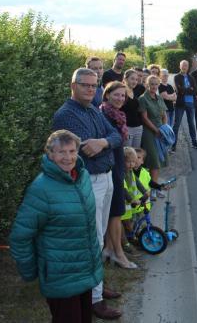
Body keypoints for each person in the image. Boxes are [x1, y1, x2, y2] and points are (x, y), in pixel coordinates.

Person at [9, 130, 103, 323]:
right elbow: (20, 236)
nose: (67, 158)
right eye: (61, 152)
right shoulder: (41, 189)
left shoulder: (82, 177)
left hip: (86, 270)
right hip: (61, 277)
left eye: (71, 151)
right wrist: (30, 271)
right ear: (50, 154)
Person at [52, 68, 122, 320]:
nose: (91, 89)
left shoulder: (93, 109)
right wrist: (104, 144)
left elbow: (115, 136)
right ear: (73, 86)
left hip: (106, 178)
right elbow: (83, 151)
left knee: (100, 236)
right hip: (89, 182)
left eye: (94, 86)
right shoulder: (65, 116)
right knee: (93, 241)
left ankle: (97, 286)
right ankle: (94, 299)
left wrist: (102, 142)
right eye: (85, 85)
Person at [100, 81, 137, 269]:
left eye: (123, 95)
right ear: (107, 95)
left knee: (113, 211)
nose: (120, 98)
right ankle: (118, 254)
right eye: (116, 95)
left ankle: (108, 248)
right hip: (111, 166)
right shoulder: (103, 114)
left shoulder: (117, 115)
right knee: (116, 212)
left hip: (118, 164)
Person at [139, 74, 169, 197]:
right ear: (147, 85)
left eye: (156, 84)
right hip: (149, 132)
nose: (154, 87)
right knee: (153, 161)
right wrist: (156, 130)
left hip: (160, 132)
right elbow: (144, 118)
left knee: (158, 161)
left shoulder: (159, 97)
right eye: (152, 84)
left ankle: (154, 190)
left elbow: (164, 115)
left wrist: (164, 129)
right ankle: (150, 191)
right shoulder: (143, 98)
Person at [173, 60, 197, 150]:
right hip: (180, 104)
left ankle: (194, 142)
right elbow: (179, 90)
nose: (184, 67)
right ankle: (173, 144)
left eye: (186, 65)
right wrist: (189, 89)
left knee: (191, 124)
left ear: (188, 67)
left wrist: (186, 89)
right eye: (183, 65)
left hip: (190, 103)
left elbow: (195, 90)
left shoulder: (191, 78)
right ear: (180, 66)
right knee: (177, 125)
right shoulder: (176, 77)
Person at [122, 69, 144, 148]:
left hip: (138, 127)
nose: (135, 82)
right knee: (128, 155)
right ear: (125, 79)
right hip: (127, 128)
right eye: (132, 79)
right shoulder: (121, 92)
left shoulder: (135, 91)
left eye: (136, 79)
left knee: (136, 154)